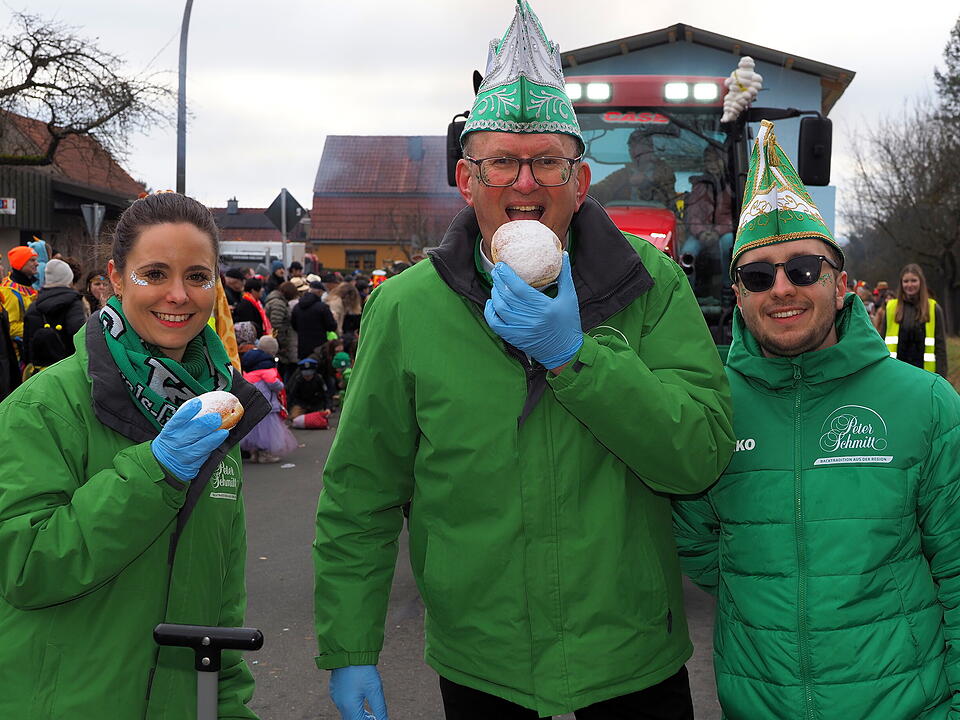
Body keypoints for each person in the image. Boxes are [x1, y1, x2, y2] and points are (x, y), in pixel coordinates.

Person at [313, 4, 734, 719]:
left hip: (631, 656)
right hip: (485, 663)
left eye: (547, 162)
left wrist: (576, 359)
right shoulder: (407, 308)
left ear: (581, 180)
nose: (526, 183)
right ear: (465, 178)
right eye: (501, 161)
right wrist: (350, 646)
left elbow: (699, 455)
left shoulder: (653, 285)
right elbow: (361, 493)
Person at [672, 120, 960, 720]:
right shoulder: (711, 405)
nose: (781, 288)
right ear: (739, 294)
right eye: (758, 276)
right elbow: (698, 543)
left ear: (841, 284)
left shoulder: (928, 404)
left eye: (803, 268)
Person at [0, 191, 269, 717]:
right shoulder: (42, 407)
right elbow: (24, 567)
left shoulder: (218, 409)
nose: (178, 295)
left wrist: (229, 707)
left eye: (197, 276)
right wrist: (155, 472)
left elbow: (221, 603)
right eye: (154, 274)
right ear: (116, 279)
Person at [873, 263, 948, 378]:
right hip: (896, 374)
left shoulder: (933, 309)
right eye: (906, 281)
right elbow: (882, 344)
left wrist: (941, 377)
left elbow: (940, 348)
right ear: (901, 283)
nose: (909, 285)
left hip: (926, 376)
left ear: (921, 282)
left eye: (914, 281)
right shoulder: (891, 308)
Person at [22, 258, 86, 375]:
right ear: (68, 279)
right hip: (68, 369)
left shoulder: (33, 307)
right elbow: (79, 333)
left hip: (39, 372)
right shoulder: (74, 303)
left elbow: (27, 344)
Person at [240, 335, 297, 464]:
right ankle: (265, 454)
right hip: (266, 402)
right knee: (267, 432)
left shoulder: (250, 362)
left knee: (255, 430)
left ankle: (254, 454)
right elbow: (273, 382)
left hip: (252, 401)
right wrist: (280, 385)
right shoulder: (266, 365)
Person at [588, 129, 677, 209]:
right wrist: (582, 189)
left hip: (657, 219)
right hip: (624, 219)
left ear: (649, 149)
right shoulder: (623, 174)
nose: (632, 151)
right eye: (631, 147)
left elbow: (669, 202)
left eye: (637, 147)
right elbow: (602, 190)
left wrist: (645, 184)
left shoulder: (664, 173)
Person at [0, 244, 40, 361]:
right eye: (32, 260)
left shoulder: (29, 286)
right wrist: (37, 327)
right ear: (21, 264)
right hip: (18, 356)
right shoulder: (9, 291)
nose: (37, 264)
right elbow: (10, 326)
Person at [292, 279, 338, 360]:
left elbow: (294, 325)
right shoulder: (323, 308)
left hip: (302, 347)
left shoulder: (297, 307)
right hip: (320, 348)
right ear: (319, 292)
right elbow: (332, 327)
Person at [264, 280, 299, 379]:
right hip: (279, 343)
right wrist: (282, 343)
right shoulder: (279, 304)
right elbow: (276, 325)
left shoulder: (276, 301)